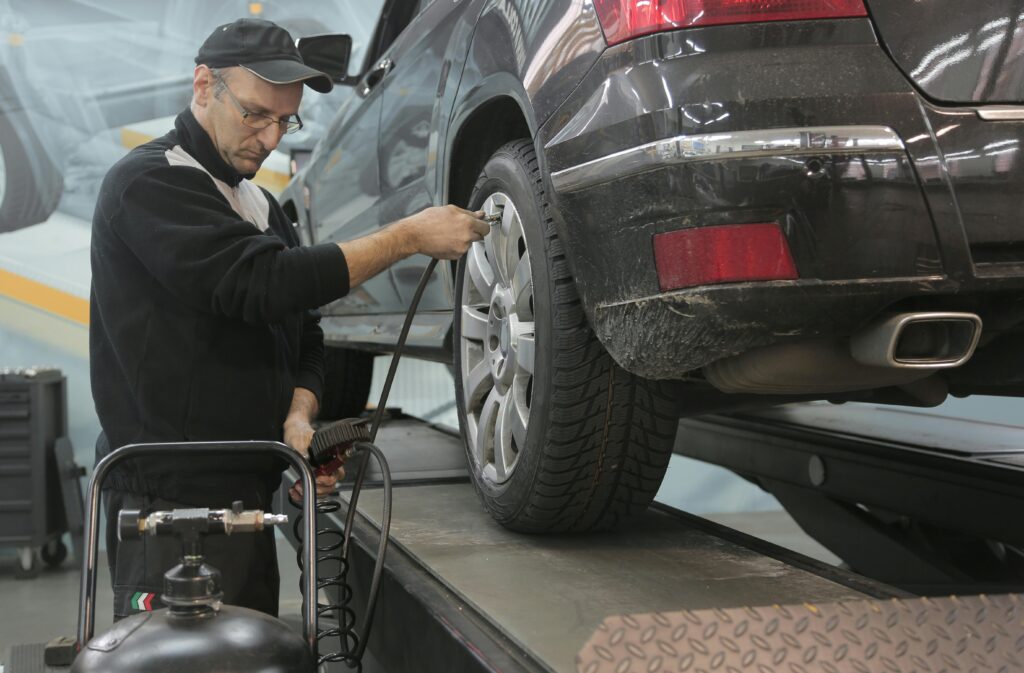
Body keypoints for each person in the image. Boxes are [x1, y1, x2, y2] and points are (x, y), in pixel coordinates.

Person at [89, 18, 488, 620]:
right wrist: (408, 235)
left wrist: (297, 418)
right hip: (169, 503)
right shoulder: (149, 183)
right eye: (255, 115)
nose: (271, 137)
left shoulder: (260, 204)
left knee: (251, 654)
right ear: (204, 86)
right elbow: (260, 283)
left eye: (286, 121)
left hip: (246, 491)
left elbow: (304, 330)